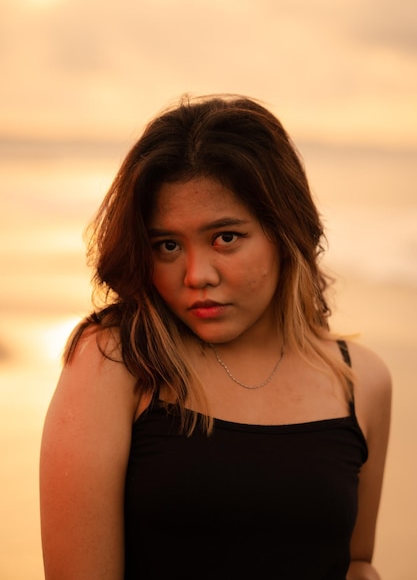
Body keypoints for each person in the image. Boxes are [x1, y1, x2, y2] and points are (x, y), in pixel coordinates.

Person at [39, 94, 391, 580]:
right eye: (167, 245)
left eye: (225, 237)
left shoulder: (360, 381)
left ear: (285, 230)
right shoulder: (116, 363)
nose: (196, 275)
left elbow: (356, 562)